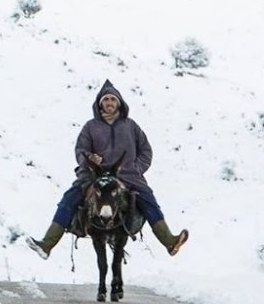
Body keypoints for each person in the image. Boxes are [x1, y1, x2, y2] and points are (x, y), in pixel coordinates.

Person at [26, 80, 189, 259]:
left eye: (113, 99)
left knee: (148, 200)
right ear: (100, 103)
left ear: (119, 103)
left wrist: (136, 168)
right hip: (95, 175)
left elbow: (146, 151)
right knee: (70, 198)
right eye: (106, 100)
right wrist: (89, 158)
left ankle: (169, 241)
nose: (109, 103)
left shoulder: (131, 126)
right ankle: (47, 244)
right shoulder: (90, 127)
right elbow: (80, 150)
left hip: (128, 176)